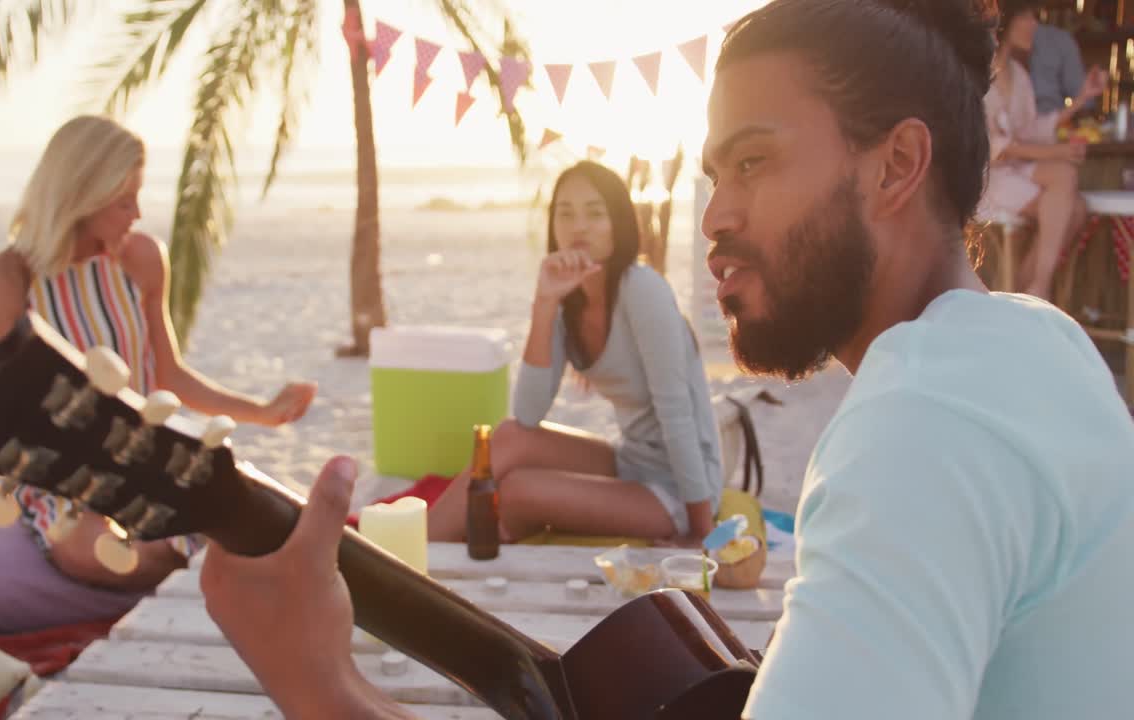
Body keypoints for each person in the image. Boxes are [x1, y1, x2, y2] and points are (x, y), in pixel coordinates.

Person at [201, 0, 1134, 717]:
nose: (715, 216)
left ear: (895, 166)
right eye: (712, 176)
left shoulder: (924, 422)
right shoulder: (1042, 343)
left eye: (754, 163)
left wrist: (324, 688)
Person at [0, 115, 317, 592]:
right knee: (107, 551)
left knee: (273, 531)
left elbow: (168, 377)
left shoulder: (139, 260)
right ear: (80, 198)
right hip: (64, 475)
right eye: (123, 201)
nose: (136, 214)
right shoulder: (6, 283)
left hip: (152, 456)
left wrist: (263, 413)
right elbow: (14, 415)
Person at [424, 160, 723, 547]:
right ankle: (414, 546)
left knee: (516, 491)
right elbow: (529, 415)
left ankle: (420, 554)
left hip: (679, 487)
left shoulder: (642, 289)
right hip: (629, 461)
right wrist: (545, 301)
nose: (578, 226)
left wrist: (700, 528)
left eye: (595, 213)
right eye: (565, 214)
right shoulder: (568, 301)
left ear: (618, 223)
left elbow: (676, 411)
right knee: (509, 437)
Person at [982, 0, 1105, 300]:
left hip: (1016, 171)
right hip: (989, 177)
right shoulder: (979, 74)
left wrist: (1079, 100)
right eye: (1027, 17)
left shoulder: (1019, 75)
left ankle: (1022, 291)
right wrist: (1058, 153)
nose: (1035, 25)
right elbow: (997, 148)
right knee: (1067, 189)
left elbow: (1032, 131)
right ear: (1006, 22)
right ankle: (1038, 289)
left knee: (1075, 208)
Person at [1030, 19, 1102, 115]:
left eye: (1027, 15)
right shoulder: (1004, 48)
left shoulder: (1059, 41)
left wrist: (1085, 94)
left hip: (1051, 123)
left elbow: (1085, 104)